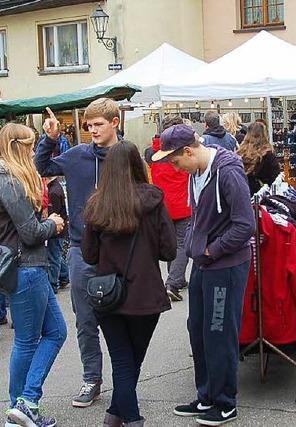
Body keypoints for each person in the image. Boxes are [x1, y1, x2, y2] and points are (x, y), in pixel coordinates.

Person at [151, 124, 255, 426]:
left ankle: (225, 402)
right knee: (197, 328)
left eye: (174, 160)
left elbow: (244, 224)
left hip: (224, 264)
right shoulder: (196, 172)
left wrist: (212, 250)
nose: (174, 166)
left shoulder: (228, 172)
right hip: (204, 263)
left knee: (219, 332)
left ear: (188, 151)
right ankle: (206, 395)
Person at [82, 141, 177, 427]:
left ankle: (114, 414)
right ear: (139, 164)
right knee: (131, 361)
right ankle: (132, 419)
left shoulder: (97, 204)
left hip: (107, 295)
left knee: (123, 361)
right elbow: (169, 251)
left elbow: (89, 255)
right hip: (145, 295)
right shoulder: (154, 200)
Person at [35, 98, 122, 408]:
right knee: (85, 321)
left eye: (99, 124)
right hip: (81, 252)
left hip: (118, 251)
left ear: (115, 122)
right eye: (89, 125)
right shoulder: (77, 156)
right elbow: (41, 166)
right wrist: (50, 138)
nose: (93, 130)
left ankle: (126, 382)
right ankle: (91, 379)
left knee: (120, 320)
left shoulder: (126, 156)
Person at [0, 123, 66, 427]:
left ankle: (24, 404)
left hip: (25, 267)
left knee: (55, 332)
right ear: (18, 147)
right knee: (29, 340)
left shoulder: (11, 178)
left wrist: (48, 139)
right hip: (26, 266)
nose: (31, 150)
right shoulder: (9, 182)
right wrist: (52, 224)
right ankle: (22, 405)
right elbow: (29, 233)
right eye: (29, 145)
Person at [144, 115, 191, 302]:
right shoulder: (182, 152)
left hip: (162, 206)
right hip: (182, 204)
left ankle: (178, 278)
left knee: (173, 243)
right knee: (181, 244)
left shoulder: (151, 153)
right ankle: (173, 282)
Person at [237, 121, 281, 195]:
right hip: (261, 194)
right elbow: (274, 176)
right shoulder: (267, 154)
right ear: (264, 135)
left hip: (242, 192)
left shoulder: (240, 153)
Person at [45, 176, 69, 294]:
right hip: (59, 228)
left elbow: (54, 212)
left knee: (54, 257)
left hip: (57, 229)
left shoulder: (53, 191)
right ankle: (64, 276)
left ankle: (53, 284)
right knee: (56, 255)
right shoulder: (55, 188)